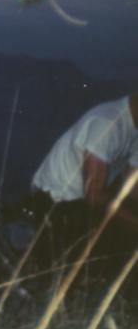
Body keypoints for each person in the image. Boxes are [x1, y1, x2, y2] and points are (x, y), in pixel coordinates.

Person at [30, 93, 138, 270]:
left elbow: (133, 188)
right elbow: (94, 196)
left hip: (85, 203)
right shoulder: (107, 122)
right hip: (56, 202)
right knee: (121, 247)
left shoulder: (135, 129)